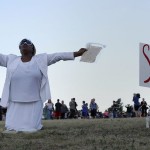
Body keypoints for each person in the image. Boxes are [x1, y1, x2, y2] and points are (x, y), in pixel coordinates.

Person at [0, 38, 87, 132]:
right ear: (19, 48)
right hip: (14, 101)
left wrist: (76, 53)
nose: (24, 43)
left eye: (28, 42)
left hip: (35, 100)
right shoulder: (11, 60)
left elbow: (58, 56)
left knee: (32, 128)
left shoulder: (41, 59)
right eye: (22, 43)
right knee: (11, 127)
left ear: (32, 48)